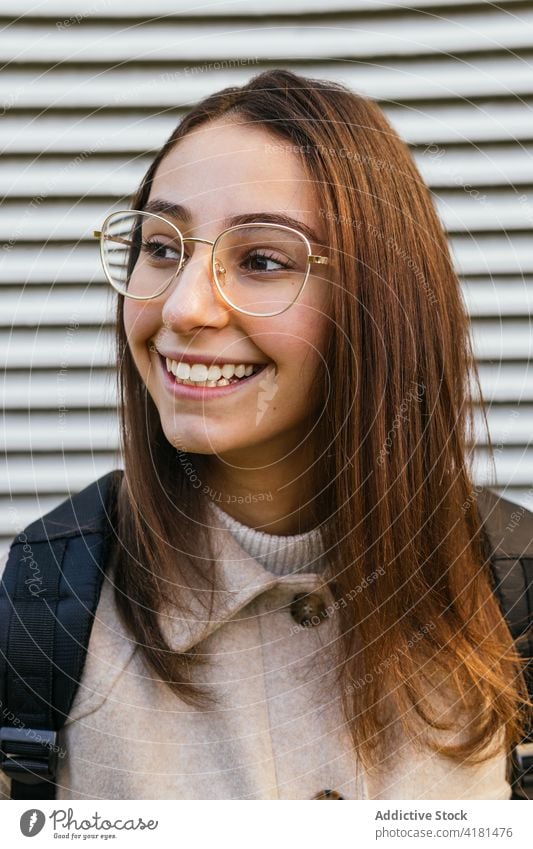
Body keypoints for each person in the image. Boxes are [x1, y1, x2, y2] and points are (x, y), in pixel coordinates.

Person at [0, 68, 529, 801]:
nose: (184, 307)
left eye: (260, 260)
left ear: (384, 302)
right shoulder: (45, 607)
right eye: (161, 246)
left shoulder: (511, 594)